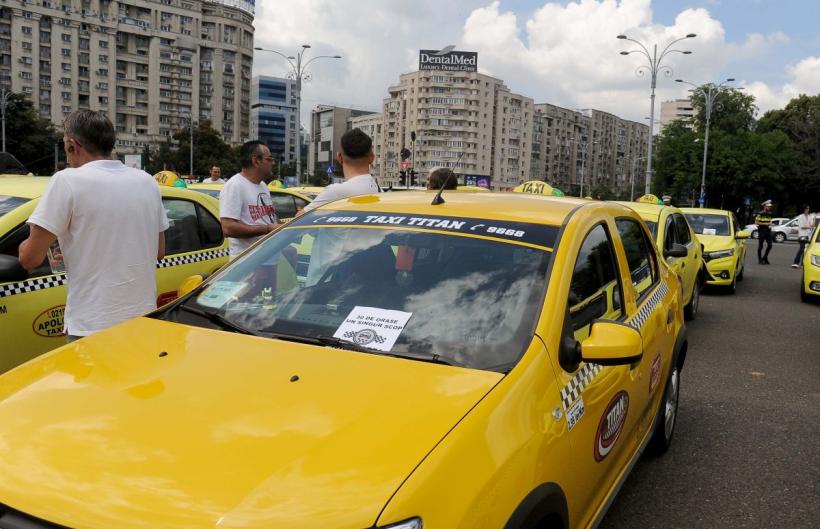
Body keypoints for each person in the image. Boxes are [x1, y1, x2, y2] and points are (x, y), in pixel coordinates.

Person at [18, 110, 169, 342]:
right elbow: (158, 252)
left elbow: (30, 259)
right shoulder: (146, 181)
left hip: (92, 325)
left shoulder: (66, 180)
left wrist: (27, 244)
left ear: (72, 144)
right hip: (141, 319)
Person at [219, 140, 278, 259]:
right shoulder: (235, 185)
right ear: (256, 161)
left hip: (267, 259)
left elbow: (269, 219)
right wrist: (267, 229)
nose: (273, 163)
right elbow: (228, 227)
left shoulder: (263, 186)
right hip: (248, 262)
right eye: (269, 159)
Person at [302, 128, 380, 212]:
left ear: (339, 157)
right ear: (372, 158)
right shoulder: (380, 192)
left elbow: (297, 220)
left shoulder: (335, 192)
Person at [755, 200, 774, 265]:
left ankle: (765, 257)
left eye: (770, 207)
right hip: (762, 231)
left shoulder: (770, 213)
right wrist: (765, 224)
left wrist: (770, 223)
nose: (769, 208)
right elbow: (756, 222)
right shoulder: (760, 213)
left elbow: (770, 221)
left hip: (768, 231)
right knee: (760, 246)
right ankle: (760, 260)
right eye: (768, 206)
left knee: (770, 245)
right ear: (764, 206)